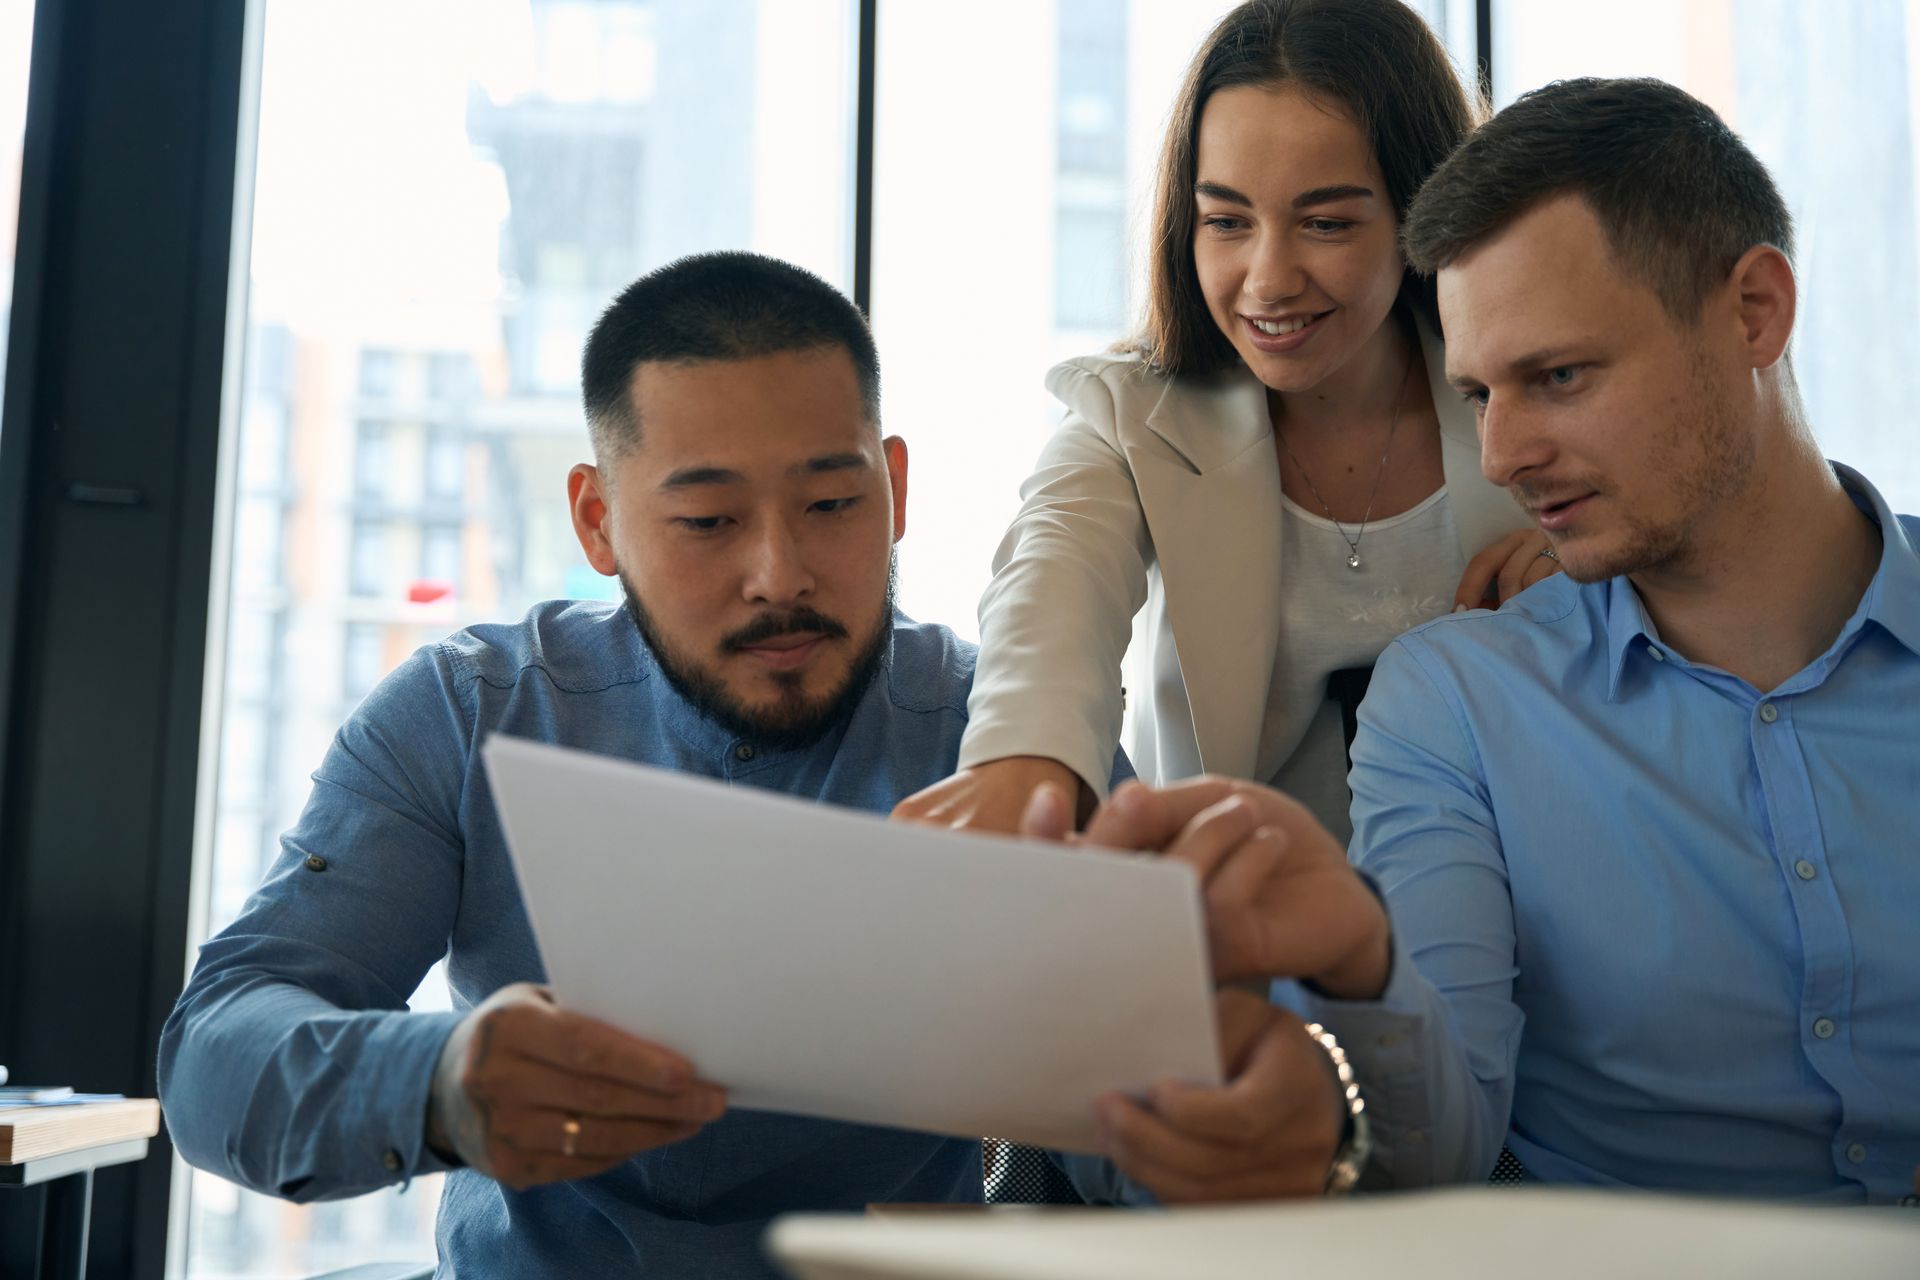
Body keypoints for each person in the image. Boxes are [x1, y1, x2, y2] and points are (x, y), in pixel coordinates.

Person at [158, 253, 1352, 1278]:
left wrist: (1233, 1110)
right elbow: (214, 1052)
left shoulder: (999, 734)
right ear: (596, 519)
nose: (779, 571)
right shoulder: (472, 713)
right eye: (708, 521)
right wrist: (439, 1078)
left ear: (895, 490)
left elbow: (1136, 1122)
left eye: (833, 501)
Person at [1056, 77, 1920, 1203]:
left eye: (1558, 376)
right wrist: (1361, 972)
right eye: (1476, 394)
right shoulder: (1456, 699)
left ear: (1754, 309)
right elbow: (1437, 1143)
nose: (1503, 456)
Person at [896, 0, 1552, 844]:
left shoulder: (1531, 390)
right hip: (1238, 927)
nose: (1268, 279)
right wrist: (1024, 762)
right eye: (1227, 222)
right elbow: (1052, 584)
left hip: (1520, 922)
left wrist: (1593, 579)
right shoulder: (1133, 415)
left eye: (1325, 223)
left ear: (1421, 213)